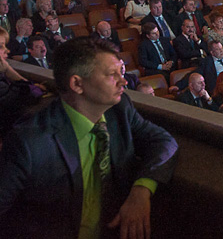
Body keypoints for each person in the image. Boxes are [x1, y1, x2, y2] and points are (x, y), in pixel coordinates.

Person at [0, 36, 178, 238]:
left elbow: (165, 142)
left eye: (121, 71)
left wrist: (141, 190)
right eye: (112, 74)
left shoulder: (120, 109)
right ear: (77, 83)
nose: (124, 81)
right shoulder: (29, 142)